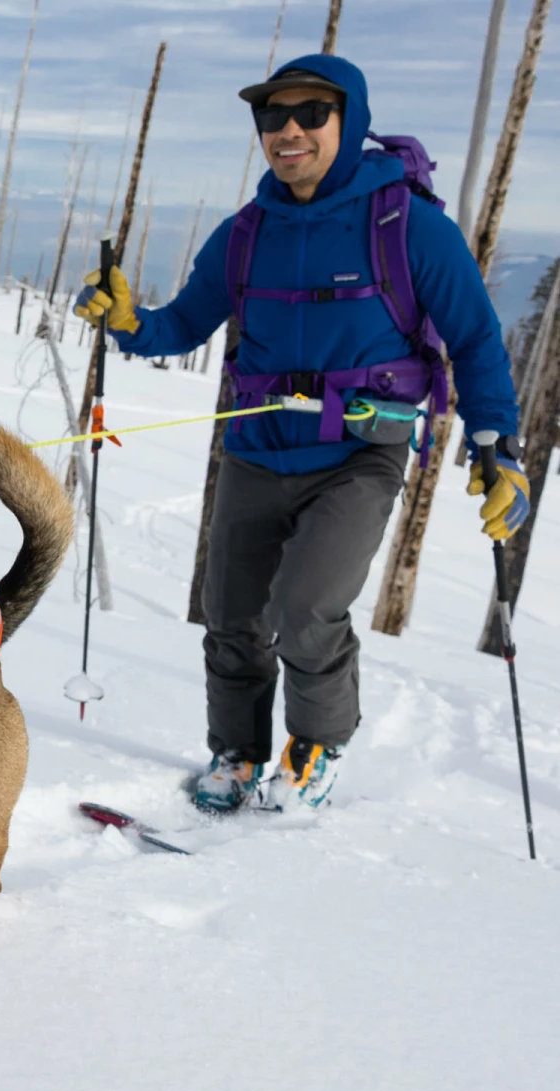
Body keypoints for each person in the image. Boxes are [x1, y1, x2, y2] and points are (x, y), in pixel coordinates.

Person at [73, 54, 528, 813]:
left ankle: (318, 741)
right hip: (257, 450)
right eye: (271, 116)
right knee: (232, 616)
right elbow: (183, 323)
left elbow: (477, 338)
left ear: (349, 121)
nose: (288, 130)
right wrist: (128, 321)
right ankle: (237, 751)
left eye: (311, 113)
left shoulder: (411, 227)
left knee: (306, 609)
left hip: (359, 454)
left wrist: (496, 442)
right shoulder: (246, 234)